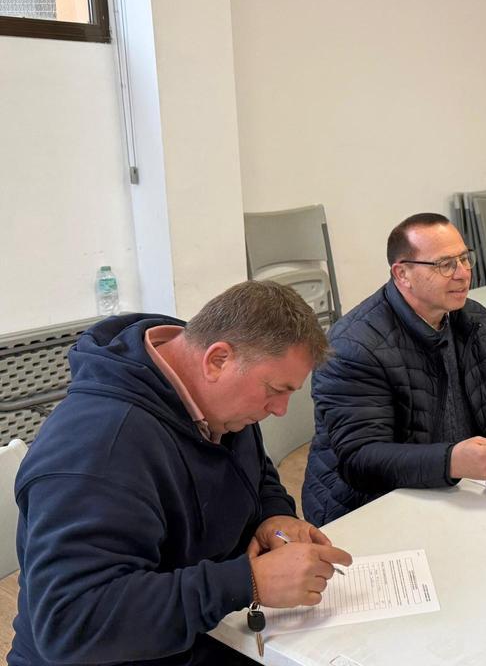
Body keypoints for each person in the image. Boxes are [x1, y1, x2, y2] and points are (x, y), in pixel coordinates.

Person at [10, 280, 353, 666]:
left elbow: (256, 474)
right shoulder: (99, 450)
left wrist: (274, 516)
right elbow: (71, 624)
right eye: (276, 390)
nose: (280, 410)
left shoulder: (214, 396)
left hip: (200, 632)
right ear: (217, 360)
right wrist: (248, 582)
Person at [302, 213, 486, 526]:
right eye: (445, 264)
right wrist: (451, 461)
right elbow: (362, 459)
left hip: (450, 489)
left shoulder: (472, 319)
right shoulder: (354, 346)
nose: (463, 274)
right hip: (364, 507)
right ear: (403, 274)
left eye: (465, 259)